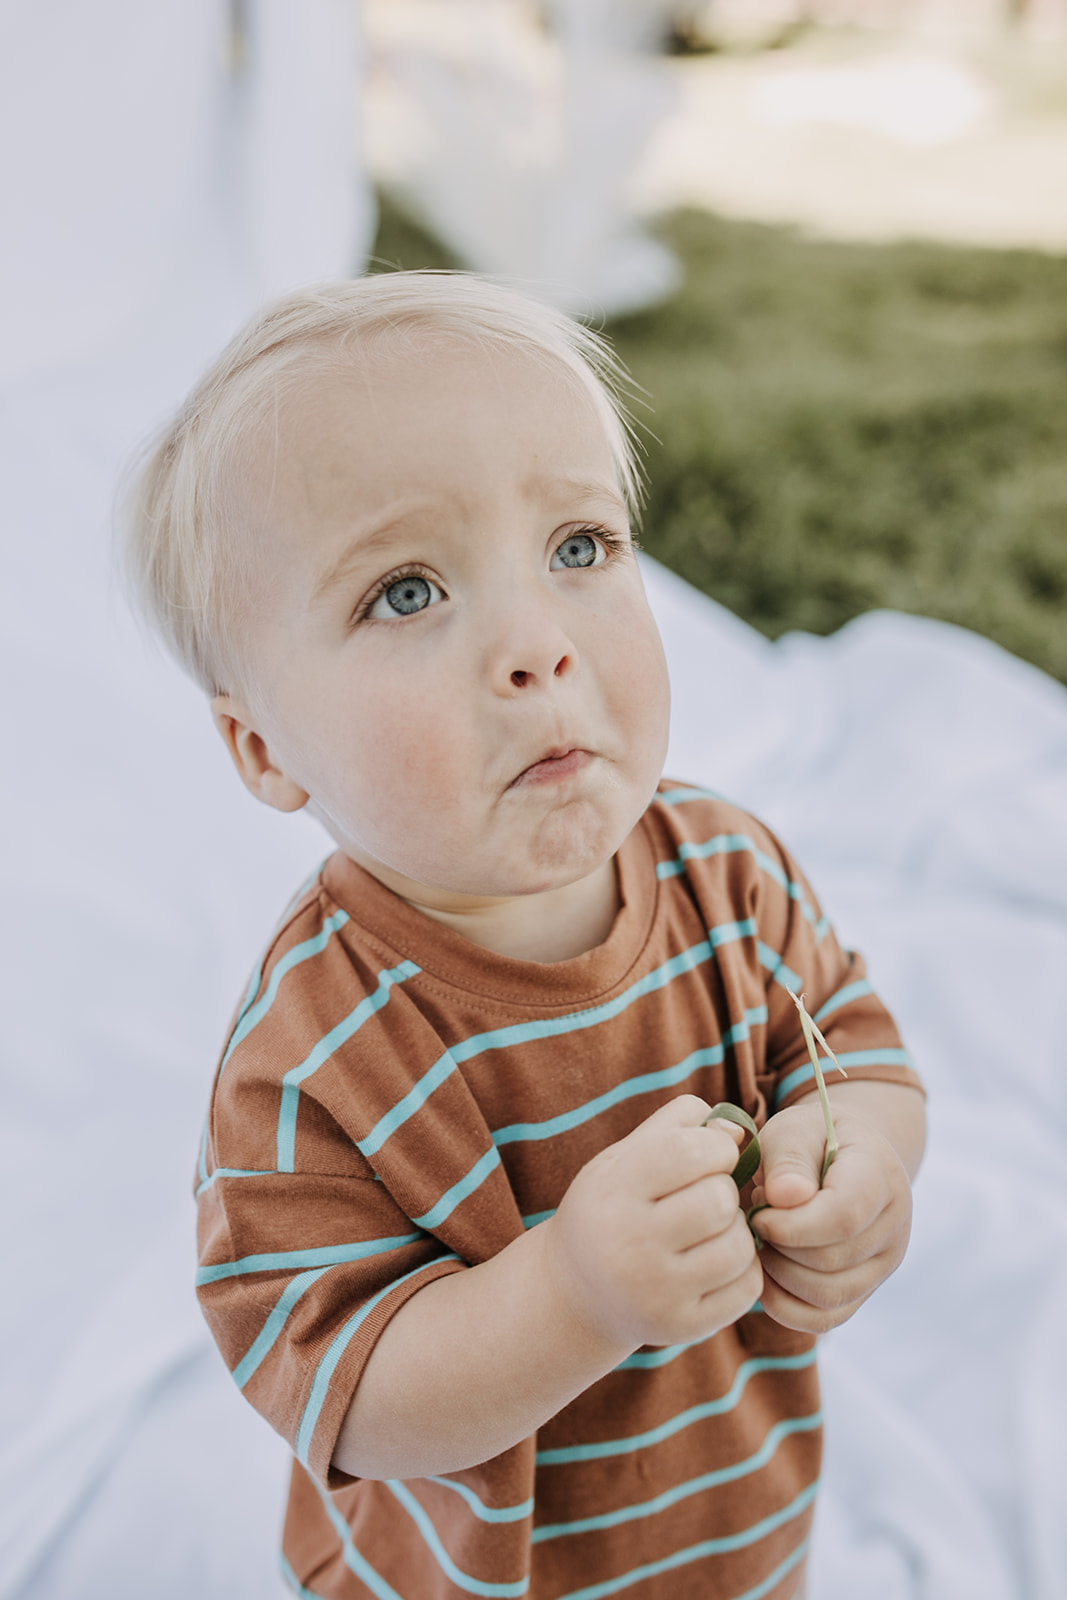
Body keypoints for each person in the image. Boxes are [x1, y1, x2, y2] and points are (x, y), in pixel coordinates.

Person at [121, 271, 926, 1600]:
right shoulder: (312, 1056)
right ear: (263, 747)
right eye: (406, 591)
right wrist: (574, 1297)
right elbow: (346, 1392)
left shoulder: (727, 868)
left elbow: (849, 1045)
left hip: (737, 1538)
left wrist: (854, 1167)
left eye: (577, 549)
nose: (535, 645)